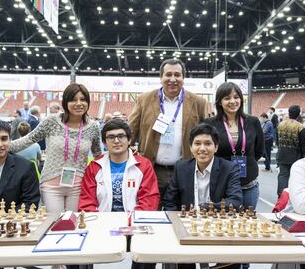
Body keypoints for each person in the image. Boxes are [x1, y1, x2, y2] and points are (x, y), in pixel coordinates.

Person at [7, 83, 101, 213]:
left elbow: (98, 155)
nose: (79, 103)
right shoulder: (51, 121)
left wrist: (127, 153)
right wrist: (0, 148)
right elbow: (28, 139)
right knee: (54, 223)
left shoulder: (93, 127)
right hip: (51, 186)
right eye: (73, 99)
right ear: (65, 102)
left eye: (83, 99)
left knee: (74, 223)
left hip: (78, 186)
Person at [128, 58, 207, 203]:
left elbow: (207, 136)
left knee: (181, 215)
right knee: (150, 215)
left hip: (185, 171)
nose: (173, 79)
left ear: (183, 78)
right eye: (168, 74)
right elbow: (130, 132)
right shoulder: (144, 100)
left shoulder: (198, 103)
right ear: (161, 77)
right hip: (152, 170)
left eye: (177, 75)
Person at [78, 119, 159, 212]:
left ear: (129, 140)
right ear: (104, 143)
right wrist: (99, 223)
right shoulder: (94, 167)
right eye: (111, 137)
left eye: (121, 136)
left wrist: (130, 222)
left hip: (134, 222)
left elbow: (149, 200)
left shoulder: (144, 165)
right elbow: (87, 201)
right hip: (102, 222)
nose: (116, 141)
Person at [205, 82, 264, 209]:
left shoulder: (253, 121)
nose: (232, 101)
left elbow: (259, 151)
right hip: (222, 185)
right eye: (227, 98)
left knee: (247, 224)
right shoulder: (210, 124)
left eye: (236, 97)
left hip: (248, 185)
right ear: (220, 102)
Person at [163, 123, 242, 211]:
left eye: (207, 144)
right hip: (186, 221)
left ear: (216, 147)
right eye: (197, 143)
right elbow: (169, 202)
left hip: (216, 220)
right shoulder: (181, 168)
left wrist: (207, 208)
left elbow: (235, 201)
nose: (202, 149)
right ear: (191, 147)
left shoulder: (229, 168)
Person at [276, 105, 305, 196]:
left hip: (282, 154)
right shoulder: (300, 127)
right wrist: (304, 156)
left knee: (283, 176)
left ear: (289, 112)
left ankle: (281, 195)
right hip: (296, 156)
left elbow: (277, 141)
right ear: (298, 114)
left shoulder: (280, 125)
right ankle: (295, 195)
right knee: (296, 177)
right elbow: (304, 145)